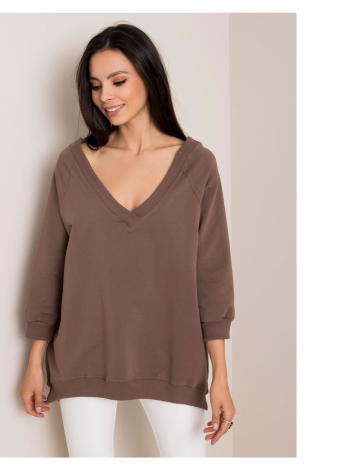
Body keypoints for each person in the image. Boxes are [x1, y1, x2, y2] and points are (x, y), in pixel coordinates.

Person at [20, 22, 236, 457]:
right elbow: (49, 266)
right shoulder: (72, 164)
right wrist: (34, 362)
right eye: (96, 85)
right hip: (82, 357)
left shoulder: (197, 166)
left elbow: (212, 276)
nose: (106, 96)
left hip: (174, 359)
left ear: (149, 76)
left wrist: (221, 377)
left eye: (118, 81)